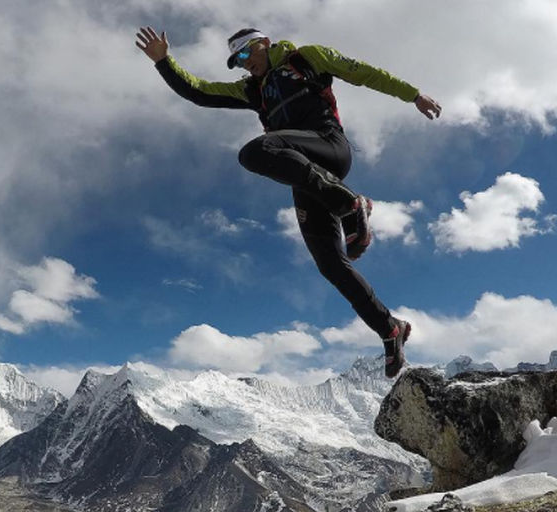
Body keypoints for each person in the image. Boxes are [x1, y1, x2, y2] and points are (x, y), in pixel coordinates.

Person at [135, 26, 442, 377]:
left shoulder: (307, 58)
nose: (244, 64)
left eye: (247, 54)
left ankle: (351, 205)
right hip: (307, 176)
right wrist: (164, 62)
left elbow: (366, 73)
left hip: (330, 147)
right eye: (237, 61)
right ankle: (389, 329)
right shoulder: (252, 90)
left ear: (265, 43)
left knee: (256, 150)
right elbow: (201, 92)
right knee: (330, 263)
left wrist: (414, 95)